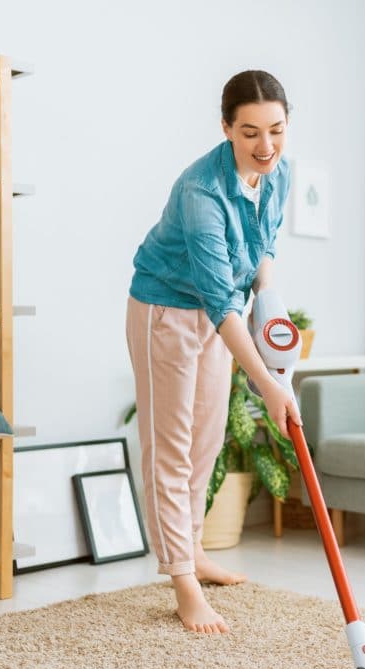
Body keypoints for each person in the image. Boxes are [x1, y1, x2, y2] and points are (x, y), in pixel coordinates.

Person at [126, 70, 301, 634]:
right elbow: (223, 300)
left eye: (276, 129)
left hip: (217, 313)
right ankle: (182, 582)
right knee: (170, 448)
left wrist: (269, 305)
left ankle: (195, 549)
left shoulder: (279, 173)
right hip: (168, 311)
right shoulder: (200, 190)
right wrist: (267, 385)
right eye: (249, 132)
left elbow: (263, 248)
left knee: (205, 438)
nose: (265, 146)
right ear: (226, 127)